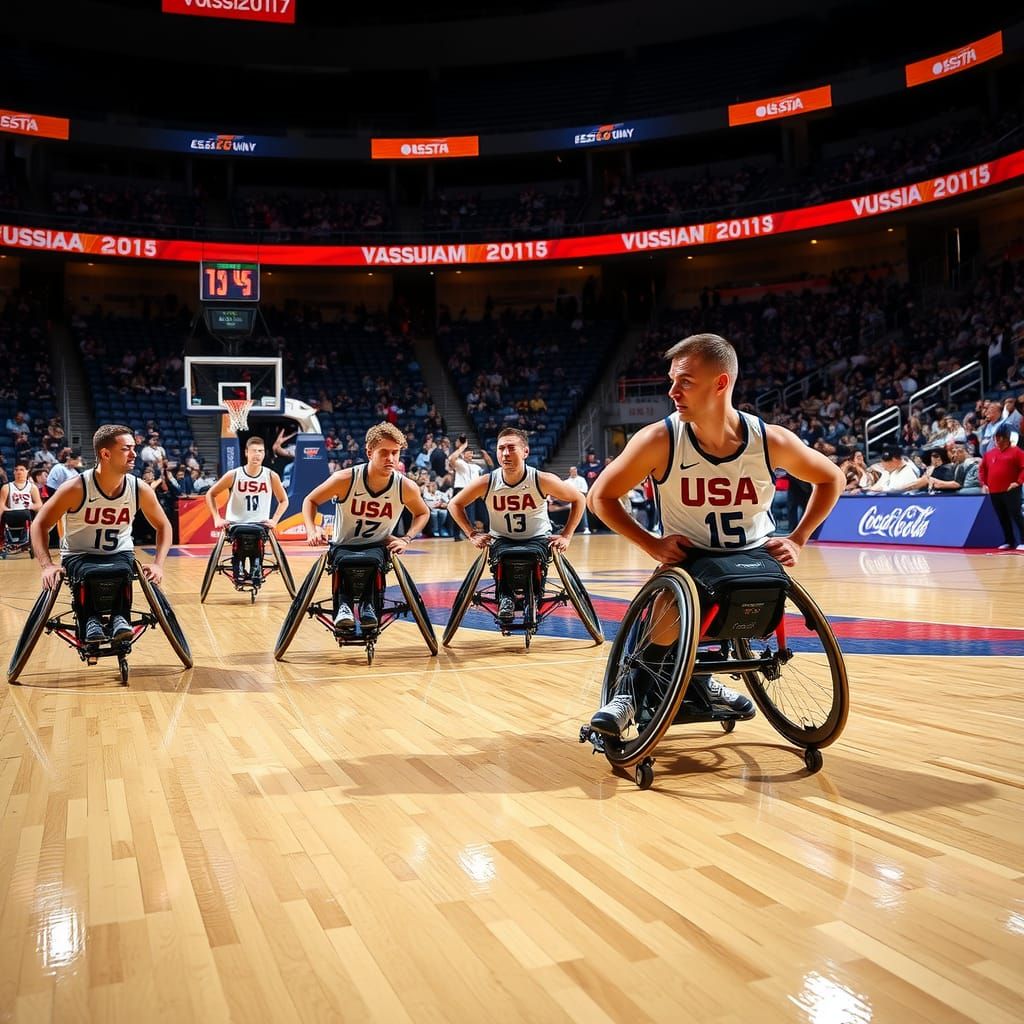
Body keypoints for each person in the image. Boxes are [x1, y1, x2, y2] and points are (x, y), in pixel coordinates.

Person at [586, 333, 845, 738]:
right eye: (672, 381)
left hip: (750, 557)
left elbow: (832, 478)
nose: (672, 391)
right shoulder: (661, 439)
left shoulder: (768, 439)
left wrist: (799, 537)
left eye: (684, 381)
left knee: (749, 592)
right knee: (674, 596)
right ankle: (629, 692)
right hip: (690, 560)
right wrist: (651, 544)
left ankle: (703, 680)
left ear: (720, 383)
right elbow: (600, 498)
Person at [30, 424, 172, 643]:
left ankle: (120, 619)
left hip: (119, 553)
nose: (134, 454)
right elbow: (39, 525)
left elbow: (164, 526)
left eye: (134, 448)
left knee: (124, 569)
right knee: (88, 573)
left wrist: (158, 564)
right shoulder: (75, 488)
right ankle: (89, 620)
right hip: (79, 554)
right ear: (105, 454)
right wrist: (47, 565)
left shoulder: (139, 488)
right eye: (126, 449)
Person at [447, 427, 585, 623]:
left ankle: (534, 598)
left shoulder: (541, 479)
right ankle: (505, 599)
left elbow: (579, 499)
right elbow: (454, 504)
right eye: (501, 448)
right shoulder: (487, 481)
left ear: (525, 452)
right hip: (502, 539)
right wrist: (471, 533)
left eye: (511, 448)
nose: (505, 453)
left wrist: (567, 535)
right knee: (501, 558)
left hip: (537, 537)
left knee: (536, 556)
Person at [302, 422, 429, 633]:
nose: (391, 458)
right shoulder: (345, 479)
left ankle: (368, 606)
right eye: (384, 453)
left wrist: (406, 538)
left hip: (377, 544)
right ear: (369, 452)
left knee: (375, 559)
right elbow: (310, 501)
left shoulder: (405, 486)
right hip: (344, 544)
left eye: (395, 453)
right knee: (343, 560)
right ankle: (343, 605)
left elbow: (423, 513)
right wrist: (311, 529)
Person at [205, 436, 289, 581]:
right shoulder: (234, 475)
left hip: (260, 523)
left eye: (261, 451)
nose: (257, 454)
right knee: (240, 542)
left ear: (264, 454)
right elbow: (210, 494)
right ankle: (238, 565)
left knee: (257, 544)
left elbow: (284, 501)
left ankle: (257, 566)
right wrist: (217, 518)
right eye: (254, 451)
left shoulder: (271, 475)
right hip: (235, 523)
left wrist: (275, 520)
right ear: (246, 452)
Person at [979, 423, 1024, 550]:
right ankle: (1009, 541)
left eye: (1000, 438)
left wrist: (1018, 482)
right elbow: (982, 470)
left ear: (1007, 438)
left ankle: (1023, 541)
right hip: (994, 491)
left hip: (1011, 489)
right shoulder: (989, 454)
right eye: (996, 438)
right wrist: (984, 484)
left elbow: (1023, 468)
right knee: (1002, 516)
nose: (997, 441)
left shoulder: (1017, 452)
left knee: (1016, 515)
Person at [1, 463, 42, 543]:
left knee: (38, 513)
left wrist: (31, 506)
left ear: (27, 471)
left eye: (21, 470)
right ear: (13, 472)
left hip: (27, 513)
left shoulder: (32, 487)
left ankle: (38, 535)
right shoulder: (6, 487)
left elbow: (39, 504)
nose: (19, 472)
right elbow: (1, 505)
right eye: (16, 470)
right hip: (12, 514)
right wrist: (8, 510)